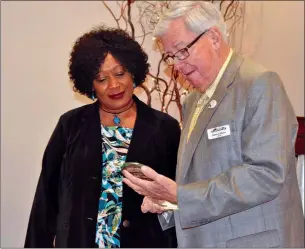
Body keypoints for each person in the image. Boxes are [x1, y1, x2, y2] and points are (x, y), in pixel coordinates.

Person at [122, 1, 304, 248]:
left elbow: (266, 174)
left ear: (214, 38)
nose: (176, 65)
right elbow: (198, 179)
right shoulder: (193, 100)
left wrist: (181, 197)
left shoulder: (259, 84)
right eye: (171, 57)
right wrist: (167, 202)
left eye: (182, 51)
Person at [24, 26, 180, 248]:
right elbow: (46, 200)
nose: (114, 85)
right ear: (90, 85)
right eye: (101, 78)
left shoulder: (164, 128)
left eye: (120, 73)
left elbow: (177, 195)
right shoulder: (70, 126)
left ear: (133, 73)